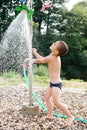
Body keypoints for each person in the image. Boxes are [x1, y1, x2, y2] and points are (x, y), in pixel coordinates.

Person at [32, 41, 74, 127]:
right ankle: (50, 115)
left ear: (56, 52)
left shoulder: (53, 57)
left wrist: (32, 60)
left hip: (56, 84)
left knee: (56, 102)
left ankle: (70, 116)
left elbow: (41, 61)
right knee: (46, 98)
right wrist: (35, 53)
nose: (53, 43)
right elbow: (42, 59)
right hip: (52, 83)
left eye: (55, 44)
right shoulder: (52, 56)